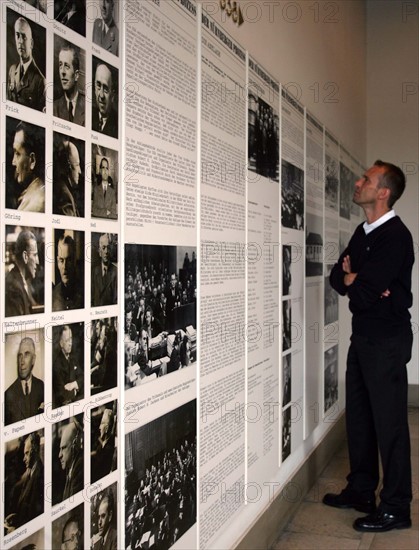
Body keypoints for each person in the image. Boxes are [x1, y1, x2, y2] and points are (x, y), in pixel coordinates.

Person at [324, 161, 414, 532]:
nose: (358, 182)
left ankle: (396, 507)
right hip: (362, 338)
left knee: (389, 424)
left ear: (383, 193)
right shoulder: (363, 232)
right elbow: (337, 279)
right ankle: (361, 489)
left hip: (387, 342)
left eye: (367, 179)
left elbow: (360, 295)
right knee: (360, 418)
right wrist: (357, 279)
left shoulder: (396, 236)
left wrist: (358, 280)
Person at [8, 17, 46, 111]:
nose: (20, 41)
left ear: (31, 43)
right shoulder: (12, 70)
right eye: (18, 36)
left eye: (24, 37)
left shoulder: (40, 81)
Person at [4, 337, 44, 425]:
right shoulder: (7, 395)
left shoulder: (42, 386)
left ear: (33, 359)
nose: (22, 361)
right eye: (20, 355)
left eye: (26, 354)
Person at [9, 121, 45, 212]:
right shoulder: (35, 195)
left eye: (17, 153)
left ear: (32, 160)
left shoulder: (34, 204)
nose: (13, 162)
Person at [5, 230, 40, 317]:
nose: (38, 261)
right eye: (35, 255)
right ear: (25, 256)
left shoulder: (20, 282)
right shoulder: (14, 288)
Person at [15, 432, 44, 527]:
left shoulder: (39, 474)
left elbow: (33, 515)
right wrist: (15, 517)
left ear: (35, 450)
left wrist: (16, 528)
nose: (24, 459)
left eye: (27, 453)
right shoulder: (29, 474)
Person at [53, 44, 85, 126]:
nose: (62, 72)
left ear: (76, 75)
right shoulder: (54, 107)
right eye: (60, 65)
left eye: (66, 66)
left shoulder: (87, 106)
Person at [53, 325, 84, 407]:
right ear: (61, 343)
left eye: (71, 339)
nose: (70, 343)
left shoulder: (73, 358)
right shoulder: (57, 365)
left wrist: (73, 384)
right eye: (67, 340)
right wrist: (75, 391)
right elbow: (61, 395)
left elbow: (83, 377)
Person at [52, 234, 84, 311]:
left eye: (69, 260)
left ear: (74, 261)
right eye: (61, 260)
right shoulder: (54, 294)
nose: (65, 266)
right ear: (57, 262)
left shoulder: (84, 292)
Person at [53, 139, 83, 217]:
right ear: (68, 166)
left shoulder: (64, 189)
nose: (80, 171)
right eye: (76, 165)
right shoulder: (64, 196)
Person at [92, 62, 118, 138]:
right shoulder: (88, 115)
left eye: (106, 89)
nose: (101, 95)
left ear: (112, 95)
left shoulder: (117, 125)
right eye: (98, 86)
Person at [59, 420, 83, 501]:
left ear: (75, 444)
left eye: (64, 448)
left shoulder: (79, 467)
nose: (59, 455)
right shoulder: (71, 467)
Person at [91, 233, 117, 307]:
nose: (106, 252)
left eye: (108, 248)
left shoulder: (116, 272)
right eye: (103, 248)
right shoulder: (93, 272)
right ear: (99, 252)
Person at [91, 409, 116, 483]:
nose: (99, 427)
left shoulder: (109, 449)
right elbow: (97, 452)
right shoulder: (103, 444)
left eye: (102, 423)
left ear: (107, 428)